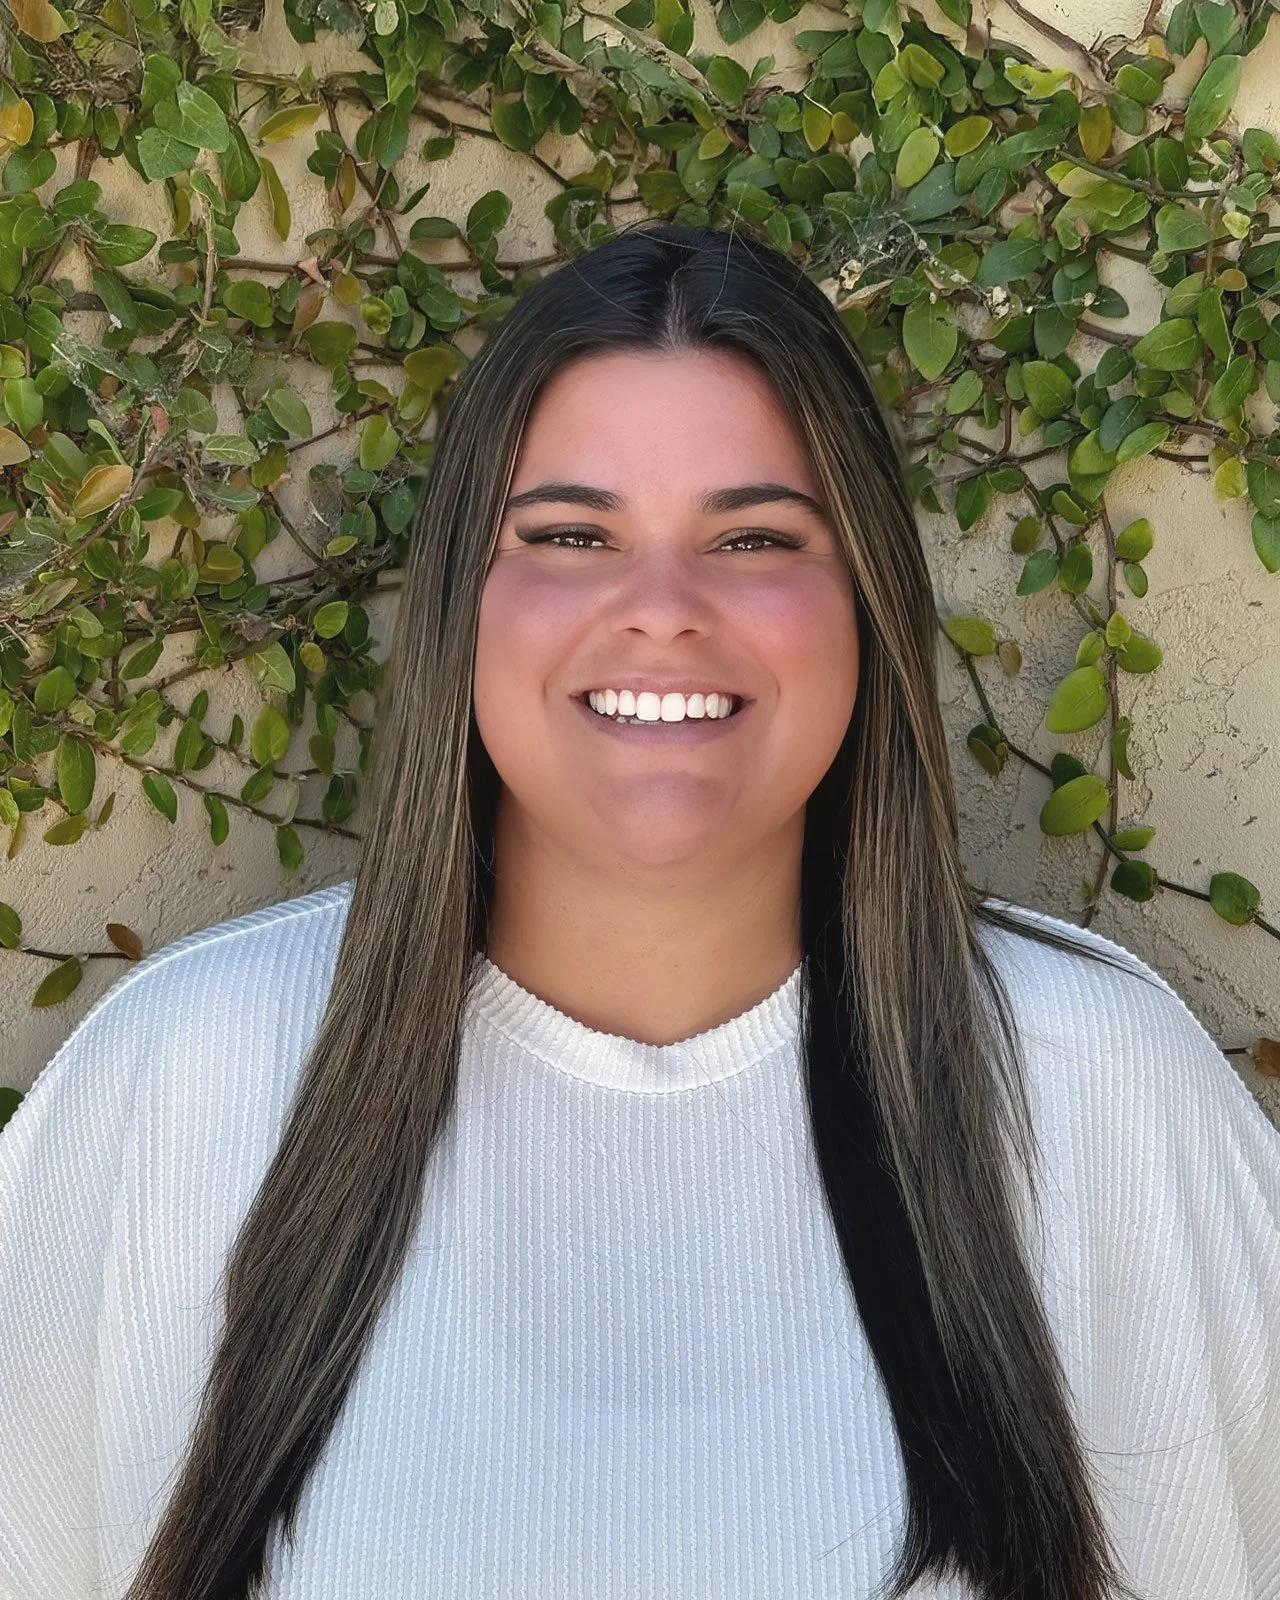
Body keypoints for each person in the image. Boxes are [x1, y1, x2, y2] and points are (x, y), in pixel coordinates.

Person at [1, 219, 1277, 1600]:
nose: (661, 608)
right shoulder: (184, 1079)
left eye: (750, 536)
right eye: (569, 533)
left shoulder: (1096, 1088)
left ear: (863, 601)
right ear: (459, 604)